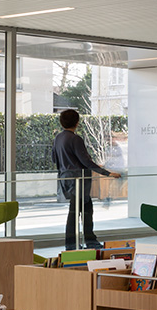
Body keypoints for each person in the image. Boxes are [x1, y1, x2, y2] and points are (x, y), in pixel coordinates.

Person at [52, 108, 121, 251]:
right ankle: (81, 243)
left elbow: (54, 158)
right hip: (79, 181)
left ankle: (79, 242)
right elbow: (85, 161)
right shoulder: (75, 139)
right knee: (82, 211)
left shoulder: (58, 138)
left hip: (65, 179)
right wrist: (107, 173)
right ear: (77, 122)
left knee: (80, 210)